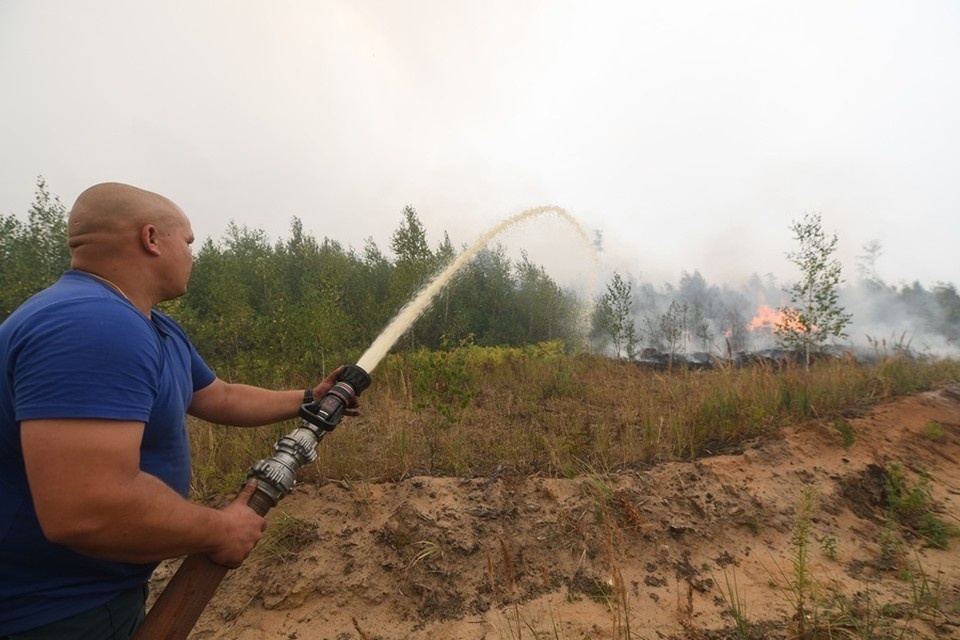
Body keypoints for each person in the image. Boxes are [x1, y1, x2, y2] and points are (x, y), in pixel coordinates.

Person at [0, 183, 353, 639]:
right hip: (52, 613)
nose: (192, 255)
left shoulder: (150, 325)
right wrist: (219, 531)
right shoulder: (92, 325)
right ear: (151, 238)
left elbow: (219, 396)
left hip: (94, 595)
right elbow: (89, 507)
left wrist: (309, 397)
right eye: (187, 242)